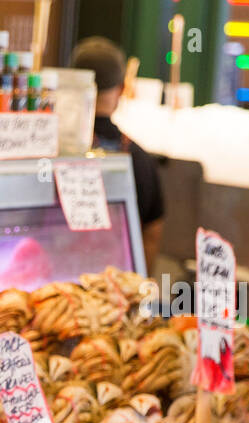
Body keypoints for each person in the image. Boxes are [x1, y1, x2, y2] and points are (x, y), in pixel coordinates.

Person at [71, 36, 165, 273]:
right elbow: (152, 235)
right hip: (117, 288)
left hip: (57, 282)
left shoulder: (54, 149)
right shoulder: (140, 159)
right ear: (122, 88)